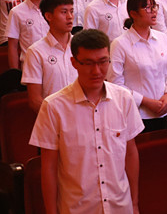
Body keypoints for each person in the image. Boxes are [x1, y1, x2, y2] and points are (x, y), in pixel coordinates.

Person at [29, 29, 144, 214]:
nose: (97, 71)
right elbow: (49, 167)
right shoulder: (53, 107)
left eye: (103, 62)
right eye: (88, 63)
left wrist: (135, 202)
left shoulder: (124, 99)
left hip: (120, 205)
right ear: (74, 62)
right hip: (78, 208)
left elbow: (130, 153)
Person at [109, 0, 167, 132]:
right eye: (147, 8)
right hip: (137, 114)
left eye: (154, 6)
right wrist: (145, 101)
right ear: (133, 14)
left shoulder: (162, 38)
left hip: (166, 110)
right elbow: (116, 83)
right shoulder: (120, 44)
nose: (153, 11)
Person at [21, 0, 77, 114]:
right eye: (64, 12)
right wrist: (60, 119)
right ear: (49, 16)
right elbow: (35, 101)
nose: (70, 16)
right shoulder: (36, 52)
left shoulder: (81, 46)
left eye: (71, 11)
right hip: (53, 118)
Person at [8, 0, 50, 70]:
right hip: (30, 67)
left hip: (54, 66)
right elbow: (13, 46)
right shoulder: (17, 12)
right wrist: (14, 73)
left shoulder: (56, 9)